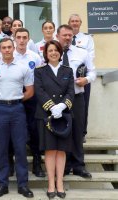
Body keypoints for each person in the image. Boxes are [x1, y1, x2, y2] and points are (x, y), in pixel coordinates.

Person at [0, 38, 34, 198]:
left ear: (13, 48)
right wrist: (1, 98)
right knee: (1, 148)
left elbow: (30, 91)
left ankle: (23, 185)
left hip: (18, 109)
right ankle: (2, 185)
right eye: (3, 47)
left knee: (20, 148)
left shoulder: (23, 68)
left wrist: (16, 99)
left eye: (9, 47)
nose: (6, 50)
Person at [34, 40, 74, 199]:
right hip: (46, 115)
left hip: (63, 116)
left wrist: (62, 107)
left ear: (60, 52)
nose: (53, 53)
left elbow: (71, 92)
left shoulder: (68, 70)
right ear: (46, 53)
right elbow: (39, 90)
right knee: (50, 149)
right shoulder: (40, 71)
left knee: (61, 150)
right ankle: (51, 183)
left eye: (56, 50)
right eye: (50, 50)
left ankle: (60, 183)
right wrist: (52, 107)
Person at [56, 25, 96, 179]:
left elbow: (93, 72)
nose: (67, 38)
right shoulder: (52, 52)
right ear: (57, 35)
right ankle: (64, 166)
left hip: (77, 97)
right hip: (59, 99)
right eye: (64, 35)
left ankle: (79, 166)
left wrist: (86, 79)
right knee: (62, 132)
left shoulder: (82, 53)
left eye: (69, 35)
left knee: (78, 131)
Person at [13, 28, 45, 178]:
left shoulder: (35, 57)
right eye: (18, 37)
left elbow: (39, 77)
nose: (21, 40)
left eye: (24, 37)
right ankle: (10, 161)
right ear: (14, 38)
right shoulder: (8, 55)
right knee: (12, 130)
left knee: (34, 130)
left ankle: (37, 162)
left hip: (32, 97)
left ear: (28, 39)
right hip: (13, 96)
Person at [68, 14, 95, 143]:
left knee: (83, 105)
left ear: (80, 23)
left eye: (77, 21)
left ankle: (82, 132)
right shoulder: (65, 39)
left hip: (83, 78)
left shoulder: (87, 38)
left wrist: (84, 77)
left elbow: (90, 56)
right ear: (69, 23)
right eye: (72, 21)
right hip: (68, 79)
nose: (74, 23)